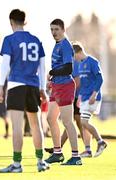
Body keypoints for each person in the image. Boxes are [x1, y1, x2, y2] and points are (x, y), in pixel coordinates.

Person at [0, 9, 49, 173]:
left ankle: (17, 164)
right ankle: (40, 161)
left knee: (17, 126)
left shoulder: (9, 39)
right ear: (25, 22)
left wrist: (0, 87)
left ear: (11, 21)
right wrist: (42, 88)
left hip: (16, 85)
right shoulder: (36, 40)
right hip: (33, 85)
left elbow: (5, 64)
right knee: (36, 125)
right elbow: (42, 66)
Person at [45, 19, 82, 165]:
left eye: (56, 29)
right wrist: (52, 78)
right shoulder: (57, 44)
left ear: (63, 29)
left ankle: (76, 157)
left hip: (65, 86)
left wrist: (51, 72)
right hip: (56, 86)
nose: (54, 32)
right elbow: (59, 67)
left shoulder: (66, 45)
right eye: (52, 29)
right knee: (50, 118)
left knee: (67, 122)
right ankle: (57, 153)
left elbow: (68, 69)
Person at [72, 42, 107, 157]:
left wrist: (94, 94)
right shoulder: (80, 64)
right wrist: (80, 97)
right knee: (84, 123)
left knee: (83, 122)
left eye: (74, 56)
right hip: (84, 97)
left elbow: (100, 79)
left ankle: (100, 142)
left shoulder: (92, 61)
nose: (74, 59)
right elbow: (83, 83)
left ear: (78, 52)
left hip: (92, 97)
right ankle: (88, 150)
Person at [45, 58, 83, 154]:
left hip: (70, 93)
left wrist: (77, 96)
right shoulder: (59, 60)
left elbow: (77, 81)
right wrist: (53, 81)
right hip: (59, 89)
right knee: (53, 119)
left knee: (74, 122)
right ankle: (58, 150)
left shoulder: (73, 62)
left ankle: (83, 150)